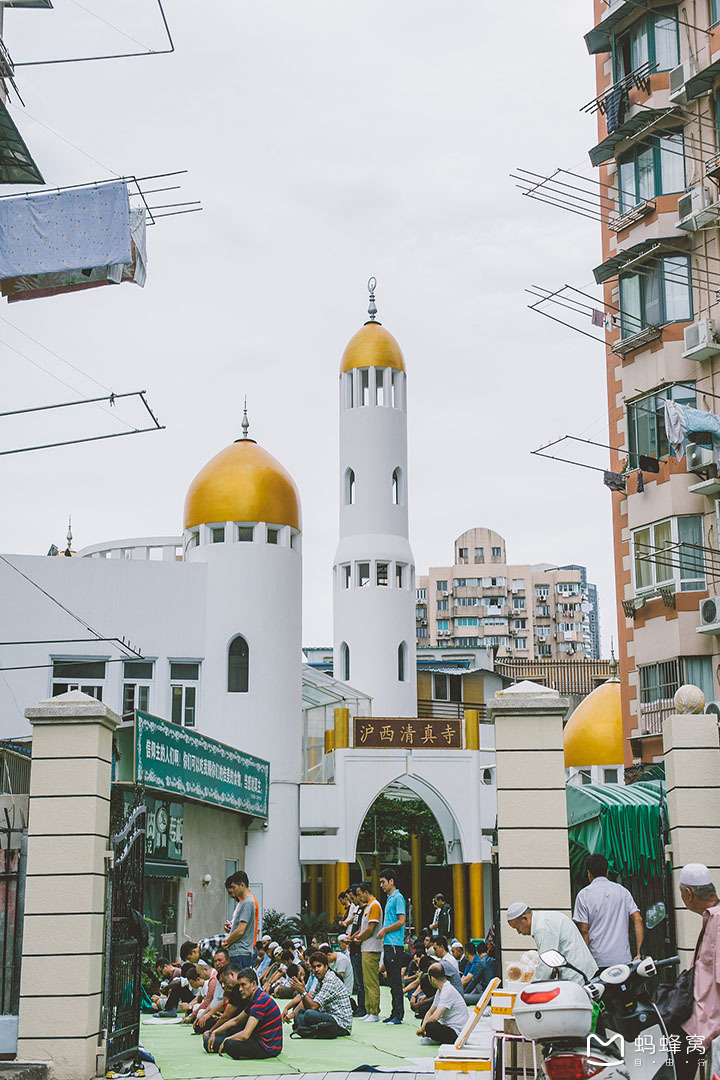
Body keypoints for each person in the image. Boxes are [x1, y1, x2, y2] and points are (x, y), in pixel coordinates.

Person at [671, 863, 720, 1080]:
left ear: (688, 894)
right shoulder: (711, 917)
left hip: (706, 1022)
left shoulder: (718, 921)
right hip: (699, 1017)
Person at [573, 854, 644, 967]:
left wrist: (584, 961)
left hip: (598, 961)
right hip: (623, 960)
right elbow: (638, 918)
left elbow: (584, 931)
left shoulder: (584, 895)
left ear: (589, 874)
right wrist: (639, 953)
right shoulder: (622, 891)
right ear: (607, 871)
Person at [507, 902, 596, 984]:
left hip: (577, 974)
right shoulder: (543, 919)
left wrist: (530, 987)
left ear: (525, 918)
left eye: (517, 927)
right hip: (579, 971)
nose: (518, 932)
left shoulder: (542, 927)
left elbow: (545, 967)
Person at [206, 965, 283, 1060]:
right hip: (259, 1040)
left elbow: (246, 1034)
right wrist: (214, 1032)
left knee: (229, 1044)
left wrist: (226, 1040)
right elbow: (236, 1021)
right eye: (239, 986)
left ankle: (243, 1055)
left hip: (268, 1048)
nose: (240, 989)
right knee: (213, 1040)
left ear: (254, 984)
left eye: (243, 985)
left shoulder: (260, 1001)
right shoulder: (255, 999)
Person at [289, 951, 353, 1037]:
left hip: (341, 1024)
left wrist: (303, 991)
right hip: (328, 1016)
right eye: (314, 967)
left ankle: (305, 1028)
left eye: (319, 966)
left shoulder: (330, 980)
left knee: (308, 1014)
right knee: (300, 1011)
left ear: (326, 967)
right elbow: (309, 1004)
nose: (316, 970)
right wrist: (302, 993)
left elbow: (313, 1007)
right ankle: (307, 1029)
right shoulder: (320, 981)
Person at [377, 867, 407, 1024]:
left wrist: (385, 931)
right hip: (389, 943)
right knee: (391, 980)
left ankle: (398, 1015)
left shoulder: (398, 898)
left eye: (383, 882)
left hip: (395, 944)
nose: (381, 885)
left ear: (391, 881)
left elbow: (402, 921)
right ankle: (393, 1012)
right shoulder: (390, 898)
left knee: (395, 980)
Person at [416, 962, 469, 1045]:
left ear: (432, 979)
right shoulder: (440, 990)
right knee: (425, 1022)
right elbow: (430, 1012)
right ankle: (433, 1037)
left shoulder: (447, 990)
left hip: (458, 1033)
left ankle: (436, 1038)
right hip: (447, 1026)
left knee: (430, 1026)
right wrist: (423, 1026)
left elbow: (435, 1017)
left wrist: (422, 1029)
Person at [353, 880, 382, 1023]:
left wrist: (359, 938)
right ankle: (369, 1009)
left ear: (366, 892)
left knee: (371, 982)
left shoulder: (375, 906)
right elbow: (363, 929)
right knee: (366, 981)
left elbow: (370, 929)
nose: (359, 897)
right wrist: (354, 938)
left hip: (372, 947)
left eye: (360, 894)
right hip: (366, 947)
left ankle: (374, 1011)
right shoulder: (368, 907)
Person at [223, 870, 259, 969]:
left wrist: (227, 941)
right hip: (239, 952)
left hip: (241, 952)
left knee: (240, 982)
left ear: (242, 885)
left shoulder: (248, 902)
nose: (233, 891)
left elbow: (240, 931)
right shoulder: (243, 902)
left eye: (234, 887)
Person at [346, 884, 366, 1016]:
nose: (353, 900)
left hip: (359, 948)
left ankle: (363, 1008)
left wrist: (351, 938)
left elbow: (362, 929)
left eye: (355, 897)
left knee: (361, 982)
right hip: (353, 948)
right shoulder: (358, 910)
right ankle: (360, 1007)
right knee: (359, 981)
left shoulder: (365, 909)